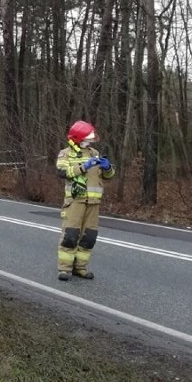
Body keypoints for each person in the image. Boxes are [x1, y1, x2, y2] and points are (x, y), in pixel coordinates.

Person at [55, 120, 115, 281]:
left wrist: (108, 168)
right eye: (87, 139)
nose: (89, 142)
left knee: (89, 237)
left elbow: (108, 176)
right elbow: (62, 172)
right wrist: (83, 167)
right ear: (77, 138)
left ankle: (80, 268)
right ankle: (64, 269)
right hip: (75, 201)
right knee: (71, 235)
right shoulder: (65, 154)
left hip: (93, 203)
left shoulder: (94, 153)